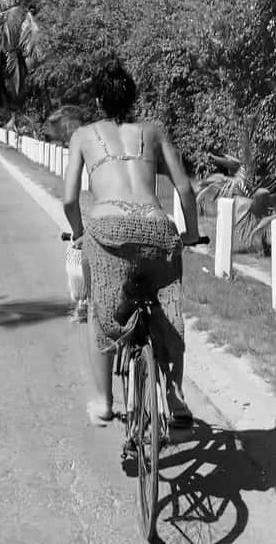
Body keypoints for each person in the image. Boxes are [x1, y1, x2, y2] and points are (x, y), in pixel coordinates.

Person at [62, 58, 202, 426]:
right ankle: (175, 399)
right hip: (157, 232)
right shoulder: (153, 132)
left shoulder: (82, 136)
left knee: (101, 313)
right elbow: (185, 190)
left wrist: (79, 233)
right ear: (133, 98)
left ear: (97, 103)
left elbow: (69, 199)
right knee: (169, 311)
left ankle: (105, 402)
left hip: (108, 234)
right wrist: (189, 234)